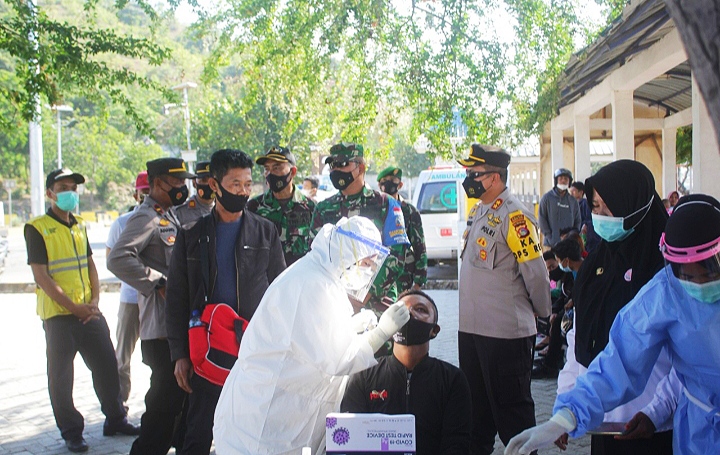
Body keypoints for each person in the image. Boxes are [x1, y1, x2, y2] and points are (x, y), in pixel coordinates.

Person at [505, 194, 720, 455]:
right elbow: (620, 360)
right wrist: (568, 414)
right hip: (700, 434)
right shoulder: (666, 294)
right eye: (686, 275)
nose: (698, 285)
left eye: (709, 271)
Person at [213, 216, 411, 455]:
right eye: (366, 264)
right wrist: (381, 333)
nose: (368, 272)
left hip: (279, 415)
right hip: (263, 421)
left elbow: (312, 339)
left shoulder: (320, 276)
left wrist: (349, 328)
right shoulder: (314, 284)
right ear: (348, 253)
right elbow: (337, 359)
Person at [546, 160, 674, 454]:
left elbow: (685, 358)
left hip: (654, 427)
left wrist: (658, 411)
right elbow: (579, 341)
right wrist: (566, 405)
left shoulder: (666, 270)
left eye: (607, 206)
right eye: (594, 206)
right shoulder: (595, 267)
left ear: (635, 206)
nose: (598, 216)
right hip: (602, 423)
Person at [165, 149, 286, 455]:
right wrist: (179, 353)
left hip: (252, 349)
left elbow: (281, 292)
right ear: (215, 185)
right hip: (207, 350)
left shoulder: (265, 231)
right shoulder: (192, 235)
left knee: (252, 433)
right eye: (235, 184)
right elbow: (177, 298)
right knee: (198, 433)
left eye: (247, 184)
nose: (243, 191)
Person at [25, 168, 139, 453]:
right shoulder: (37, 228)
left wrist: (95, 301)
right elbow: (42, 277)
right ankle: (72, 431)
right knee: (61, 378)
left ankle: (115, 418)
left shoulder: (79, 225)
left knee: (107, 367)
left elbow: (90, 265)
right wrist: (74, 307)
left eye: (73, 188)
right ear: (50, 193)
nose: (70, 193)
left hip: (89, 312)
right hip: (59, 316)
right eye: (63, 187)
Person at [456, 144, 552, 454]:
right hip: (472, 332)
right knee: (475, 418)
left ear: (495, 178)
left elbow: (536, 274)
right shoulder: (480, 209)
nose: (469, 179)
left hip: (504, 337)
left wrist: (543, 314)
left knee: (513, 419)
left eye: (475, 174)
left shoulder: (515, 217)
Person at [107, 157, 195, 455]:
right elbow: (118, 257)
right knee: (162, 409)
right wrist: (157, 283)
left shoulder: (170, 214)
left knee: (179, 408)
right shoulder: (146, 217)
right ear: (158, 184)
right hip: (160, 331)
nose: (183, 188)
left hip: (176, 326)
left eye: (185, 182)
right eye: (178, 183)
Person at [341, 289, 472, 455]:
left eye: (420, 309)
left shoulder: (452, 380)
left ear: (434, 330)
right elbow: (350, 438)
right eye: (400, 309)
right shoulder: (364, 375)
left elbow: (457, 444)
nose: (409, 313)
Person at [311, 143, 409, 320]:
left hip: (378, 308)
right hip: (334, 307)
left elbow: (397, 256)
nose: (336, 170)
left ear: (361, 167)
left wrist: (364, 297)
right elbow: (315, 256)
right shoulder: (323, 209)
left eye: (342, 164)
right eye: (332, 165)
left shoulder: (385, 204)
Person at [105, 171, 151, 408]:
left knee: (160, 357)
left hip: (156, 300)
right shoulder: (122, 223)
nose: (147, 197)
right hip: (131, 299)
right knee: (122, 356)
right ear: (136, 195)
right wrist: (144, 278)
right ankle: (118, 407)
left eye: (150, 192)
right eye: (143, 193)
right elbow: (112, 260)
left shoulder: (166, 220)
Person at [247, 146, 315, 266]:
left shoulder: (311, 208)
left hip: (300, 280)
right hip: (267, 282)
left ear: (292, 172)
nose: (270, 174)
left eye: (276, 168)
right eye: (267, 169)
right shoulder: (253, 207)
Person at [532, 238, 582, 379]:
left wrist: (566, 307)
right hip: (571, 312)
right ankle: (551, 359)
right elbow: (563, 297)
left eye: (557, 263)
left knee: (559, 321)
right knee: (554, 317)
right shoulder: (569, 275)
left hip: (580, 317)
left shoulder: (583, 272)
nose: (558, 266)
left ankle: (551, 365)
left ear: (566, 261)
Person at [377, 166, 427, 292]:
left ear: (400, 185)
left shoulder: (409, 211)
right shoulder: (373, 209)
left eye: (392, 180)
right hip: (378, 277)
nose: (388, 183)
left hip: (403, 278)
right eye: (385, 180)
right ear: (379, 184)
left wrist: (418, 283)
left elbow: (420, 247)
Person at [538, 168, 581, 249]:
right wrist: (550, 237)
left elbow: (578, 221)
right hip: (550, 244)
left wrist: (573, 236)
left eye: (566, 179)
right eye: (560, 178)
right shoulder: (546, 198)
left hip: (568, 245)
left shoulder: (573, 201)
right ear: (556, 181)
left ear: (569, 182)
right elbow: (541, 219)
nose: (563, 181)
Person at [175, 160, 214, 229]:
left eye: (212, 181)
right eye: (204, 180)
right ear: (194, 183)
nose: (209, 185)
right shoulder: (181, 212)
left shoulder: (225, 209)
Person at [570, 181, 600, 253]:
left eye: (573, 191)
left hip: (586, 237)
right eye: (570, 191)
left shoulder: (585, 204)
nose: (571, 194)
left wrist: (585, 225)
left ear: (581, 192)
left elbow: (590, 219)